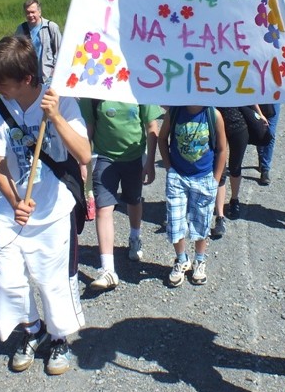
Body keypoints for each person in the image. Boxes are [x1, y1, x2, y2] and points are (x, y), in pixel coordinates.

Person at [0, 35, 90, 376]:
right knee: (8, 276)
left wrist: (55, 117)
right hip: (15, 207)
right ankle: (32, 329)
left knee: (52, 279)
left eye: (2, 82)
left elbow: (84, 154)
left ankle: (59, 338)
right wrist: (15, 202)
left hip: (55, 206)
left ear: (27, 78)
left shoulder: (60, 101)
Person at [78, 100, 164, 291]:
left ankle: (135, 237)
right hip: (104, 157)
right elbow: (88, 129)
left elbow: (151, 126)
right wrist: (83, 162)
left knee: (134, 200)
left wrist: (150, 162)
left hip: (134, 156)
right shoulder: (93, 93)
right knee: (103, 208)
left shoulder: (138, 89)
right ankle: (108, 269)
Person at [157, 106, 227, 287]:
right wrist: (169, 168)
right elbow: (162, 138)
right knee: (175, 220)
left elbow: (222, 149)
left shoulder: (213, 115)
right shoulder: (174, 112)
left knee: (202, 221)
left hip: (204, 177)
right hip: (178, 177)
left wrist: (215, 179)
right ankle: (181, 259)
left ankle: (199, 259)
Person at [212, 105, 266, 240]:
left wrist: (259, 113)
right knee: (220, 171)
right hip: (214, 126)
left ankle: (234, 200)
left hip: (237, 125)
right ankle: (220, 217)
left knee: (235, 167)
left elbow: (248, 95)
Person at [14, 0, 62, 83]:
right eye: (27, 12)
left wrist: (54, 71)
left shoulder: (51, 27)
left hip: (48, 76)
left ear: (39, 12)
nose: (30, 15)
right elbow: (16, 52)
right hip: (29, 77)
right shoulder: (21, 29)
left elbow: (60, 51)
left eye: (33, 12)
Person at [255, 103, 279, 185]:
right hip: (258, 100)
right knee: (260, 131)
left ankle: (265, 169)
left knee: (270, 133)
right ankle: (261, 156)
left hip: (274, 100)